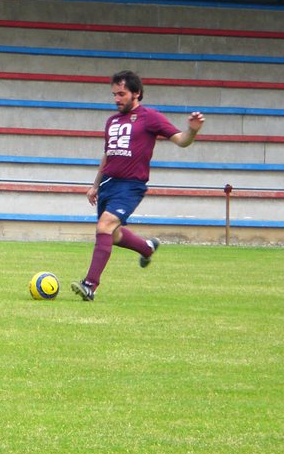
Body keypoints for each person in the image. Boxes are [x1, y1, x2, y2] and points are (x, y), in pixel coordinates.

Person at [71, 70, 205, 301]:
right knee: (112, 234)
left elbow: (181, 141)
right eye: (114, 94)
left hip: (130, 185)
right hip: (108, 185)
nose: (116, 99)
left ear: (137, 93)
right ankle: (146, 248)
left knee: (104, 226)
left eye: (121, 94)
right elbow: (108, 155)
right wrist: (95, 185)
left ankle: (90, 285)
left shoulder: (150, 117)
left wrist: (192, 130)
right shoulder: (111, 121)